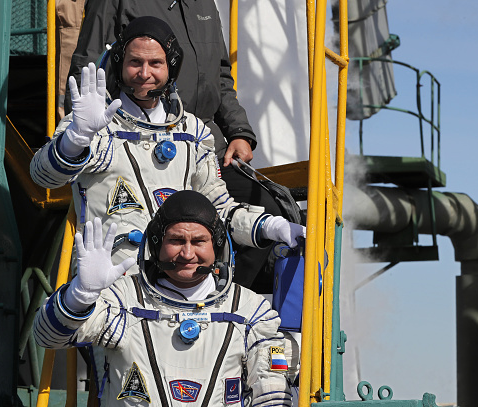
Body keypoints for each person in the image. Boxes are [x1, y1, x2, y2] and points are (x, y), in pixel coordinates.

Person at [30, 17, 305, 276]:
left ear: (171, 67)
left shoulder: (193, 132)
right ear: (119, 64)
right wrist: (76, 139)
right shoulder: (92, 124)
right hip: (111, 288)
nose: (144, 73)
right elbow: (44, 177)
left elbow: (218, 210)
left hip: (177, 290)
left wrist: (271, 225)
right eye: (135, 62)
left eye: (156, 63)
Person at [33, 190, 298, 405]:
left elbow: (271, 389)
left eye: (198, 241)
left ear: (217, 247)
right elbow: (46, 337)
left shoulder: (249, 311)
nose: (187, 253)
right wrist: (80, 296)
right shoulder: (124, 300)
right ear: (157, 245)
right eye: (176, 240)